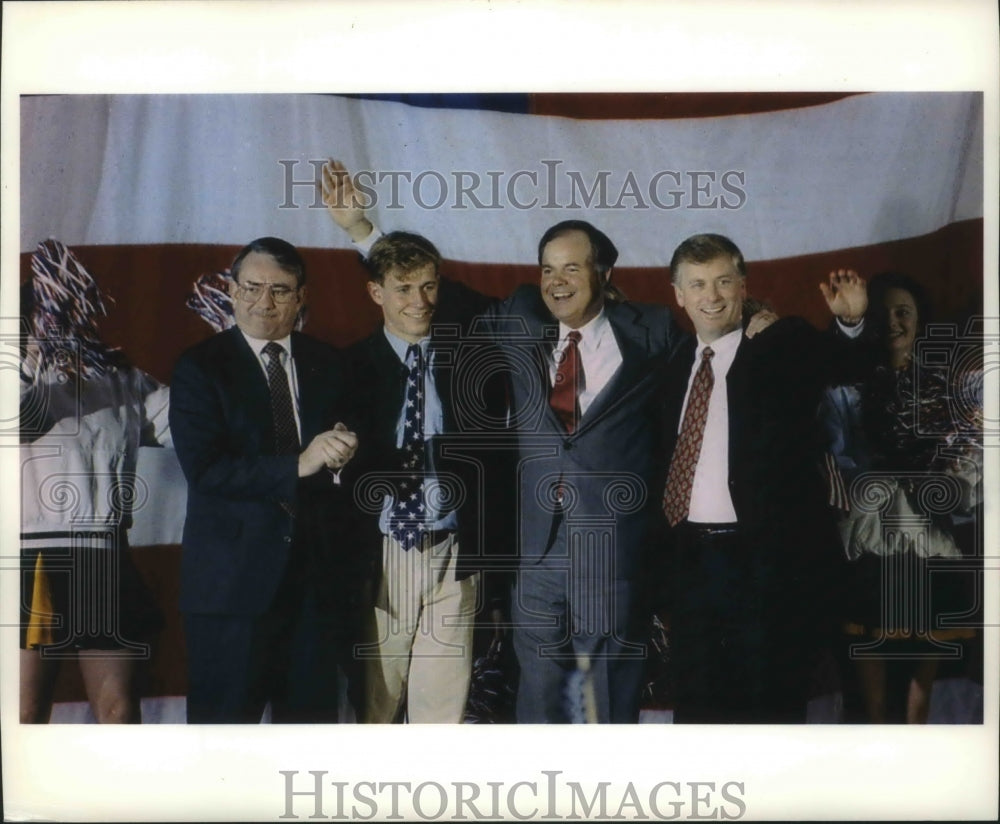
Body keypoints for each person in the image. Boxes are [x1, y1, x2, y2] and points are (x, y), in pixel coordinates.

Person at [322, 160, 689, 723]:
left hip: (613, 550)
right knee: (535, 696)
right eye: (547, 269)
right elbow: (420, 289)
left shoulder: (655, 330)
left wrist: (747, 322)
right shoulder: (518, 316)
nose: (557, 282)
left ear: (605, 273)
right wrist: (361, 230)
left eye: (572, 268)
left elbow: (697, 392)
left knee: (608, 699)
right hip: (533, 551)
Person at [659, 233, 869, 723]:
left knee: (768, 710)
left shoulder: (780, 343)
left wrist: (851, 321)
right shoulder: (673, 368)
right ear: (679, 295)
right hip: (693, 564)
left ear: (742, 285)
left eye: (723, 282)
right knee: (698, 711)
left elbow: (839, 362)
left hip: (766, 569)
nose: (711, 296)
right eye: (698, 284)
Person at [169, 236, 360, 723]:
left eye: (280, 290)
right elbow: (207, 470)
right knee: (221, 753)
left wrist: (342, 457)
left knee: (308, 748)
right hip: (232, 593)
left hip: (313, 591)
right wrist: (300, 462)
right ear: (232, 291)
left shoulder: (330, 363)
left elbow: (346, 468)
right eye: (252, 287)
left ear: (301, 298)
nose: (264, 302)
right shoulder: (200, 366)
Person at [342, 230, 511, 723]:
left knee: (441, 710)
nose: (419, 301)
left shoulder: (470, 356)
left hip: (454, 551)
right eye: (403, 288)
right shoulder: (349, 366)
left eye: (430, 286)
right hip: (385, 550)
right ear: (376, 292)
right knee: (376, 699)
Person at [819, 271, 982, 723]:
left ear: (918, 320)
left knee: (917, 703)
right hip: (872, 541)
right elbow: (839, 458)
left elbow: (970, 470)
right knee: (869, 703)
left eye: (903, 312)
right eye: (883, 313)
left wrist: (945, 482)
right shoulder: (843, 388)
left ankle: (917, 777)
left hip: (931, 545)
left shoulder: (952, 390)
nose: (893, 322)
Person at [20, 239, 168, 724]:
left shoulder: (122, 379)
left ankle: (122, 800)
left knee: (118, 709)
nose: (67, 327)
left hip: (103, 553)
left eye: (72, 314)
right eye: (52, 317)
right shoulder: (16, 377)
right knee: (23, 710)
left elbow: (193, 426)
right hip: (28, 557)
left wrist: (233, 364)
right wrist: (38, 355)